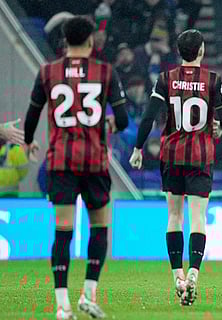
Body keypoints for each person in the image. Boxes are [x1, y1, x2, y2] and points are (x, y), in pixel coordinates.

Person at [23, 16, 129, 320]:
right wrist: (108, 122)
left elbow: (32, 114)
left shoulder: (48, 71)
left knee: (63, 230)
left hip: (61, 161)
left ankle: (62, 306)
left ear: (64, 42)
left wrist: (29, 141)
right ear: (91, 41)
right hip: (94, 161)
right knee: (99, 227)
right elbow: (121, 120)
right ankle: (88, 293)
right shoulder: (105, 72)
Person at [129, 29, 222, 306]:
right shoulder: (212, 80)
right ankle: (194, 275)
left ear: (179, 52)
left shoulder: (166, 79)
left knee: (174, 217)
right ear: (201, 51)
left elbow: (149, 116)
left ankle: (178, 275)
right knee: (198, 219)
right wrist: (219, 129)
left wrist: (138, 148)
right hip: (200, 157)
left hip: (171, 156)